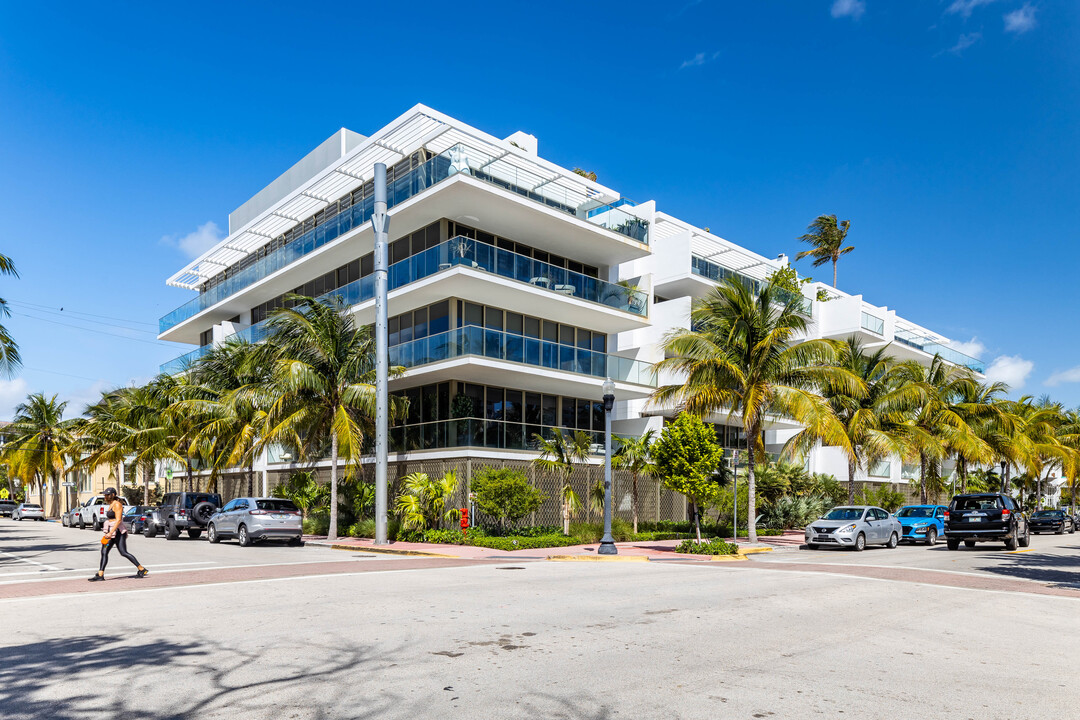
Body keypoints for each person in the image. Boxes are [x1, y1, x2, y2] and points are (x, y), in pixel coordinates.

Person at [89, 487, 148, 582]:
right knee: (104, 551)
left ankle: (141, 569)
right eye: (104, 495)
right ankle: (100, 574)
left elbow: (119, 520)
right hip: (111, 532)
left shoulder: (117, 505)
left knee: (123, 552)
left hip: (118, 532)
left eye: (107, 495)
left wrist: (111, 532)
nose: (105, 496)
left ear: (112, 495)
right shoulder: (111, 504)